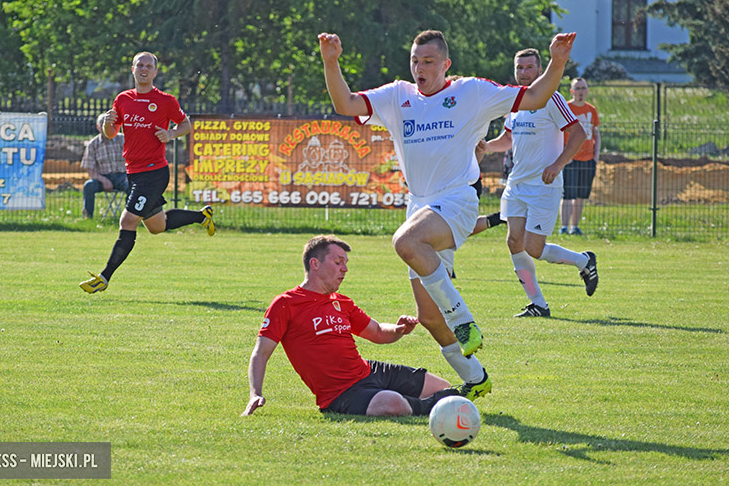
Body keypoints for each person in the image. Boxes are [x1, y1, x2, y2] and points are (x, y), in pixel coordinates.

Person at [318, 29, 576, 394]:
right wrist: (331, 62)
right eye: (414, 61)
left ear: (445, 64)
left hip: (457, 198)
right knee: (427, 316)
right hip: (420, 202)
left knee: (406, 241)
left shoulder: (470, 92)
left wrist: (558, 60)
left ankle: (464, 320)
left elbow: (535, 96)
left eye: (428, 62)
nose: (419, 68)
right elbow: (345, 103)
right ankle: (475, 378)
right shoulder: (397, 96)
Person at [242, 235, 466, 417]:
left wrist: (399, 330)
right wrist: (255, 393)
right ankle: (432, 410)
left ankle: (435, 405)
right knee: (392, 405)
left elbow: (377, 332)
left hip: (370, 372)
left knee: (444, 389)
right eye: (338, 262)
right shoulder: (286, 304)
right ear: (315, 264)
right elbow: (260, 353)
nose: (345, 269)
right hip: (340, 393)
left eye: (346, 264)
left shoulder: (342, 302)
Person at [79, 51, 215, 294]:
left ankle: (104, 277)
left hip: (154, 172)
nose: (144, 69)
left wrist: (171, 134)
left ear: (155, 71)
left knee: (128, 220)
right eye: (139, 65)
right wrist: (110, 123)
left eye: (148, 66)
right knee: (156, 226)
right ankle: (201, 216)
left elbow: (186, 124)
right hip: (133, 172)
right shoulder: (122, 99)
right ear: (132, 69)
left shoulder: (165, 100)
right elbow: (111, 134)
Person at [480, 48, 599, 318]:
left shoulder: (552, 99)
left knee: (534, 248)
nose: (524, 73)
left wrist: (558, 165)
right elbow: (508, 139)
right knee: (513, 242)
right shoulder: (516, 102)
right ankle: (538, 304)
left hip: (544, 185)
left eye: (529, 68)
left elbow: (579, 133)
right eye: (519, 68)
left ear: (540, 69)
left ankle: (584, 261)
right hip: (517, 185)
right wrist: (486, 146)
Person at [560, 77, 601, 235]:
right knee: (568, 194)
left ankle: (574, 227)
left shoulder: (591, 110)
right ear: (571, 91)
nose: (580, 92)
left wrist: (596, 156)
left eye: (583, 88)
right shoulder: (566, 108)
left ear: (587, 91)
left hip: (588, 159)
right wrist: (564, 154)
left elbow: (596, 134)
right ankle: (564, 227)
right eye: (577, 88)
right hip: (570, 159)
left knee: (581, 195)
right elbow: (558, 134)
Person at [80, 113, 129, 219]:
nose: (106, 127)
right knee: (88, 186)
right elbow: (89, 168)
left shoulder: (123, 139)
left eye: (109, 125)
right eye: (103, 125)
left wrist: (129, 176)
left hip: (123, 176)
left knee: (132, 186)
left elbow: (134, 160)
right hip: (103, 177)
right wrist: (103, 180)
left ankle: (130, 217)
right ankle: (88, 218)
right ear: (98, 127)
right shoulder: (93, 144)